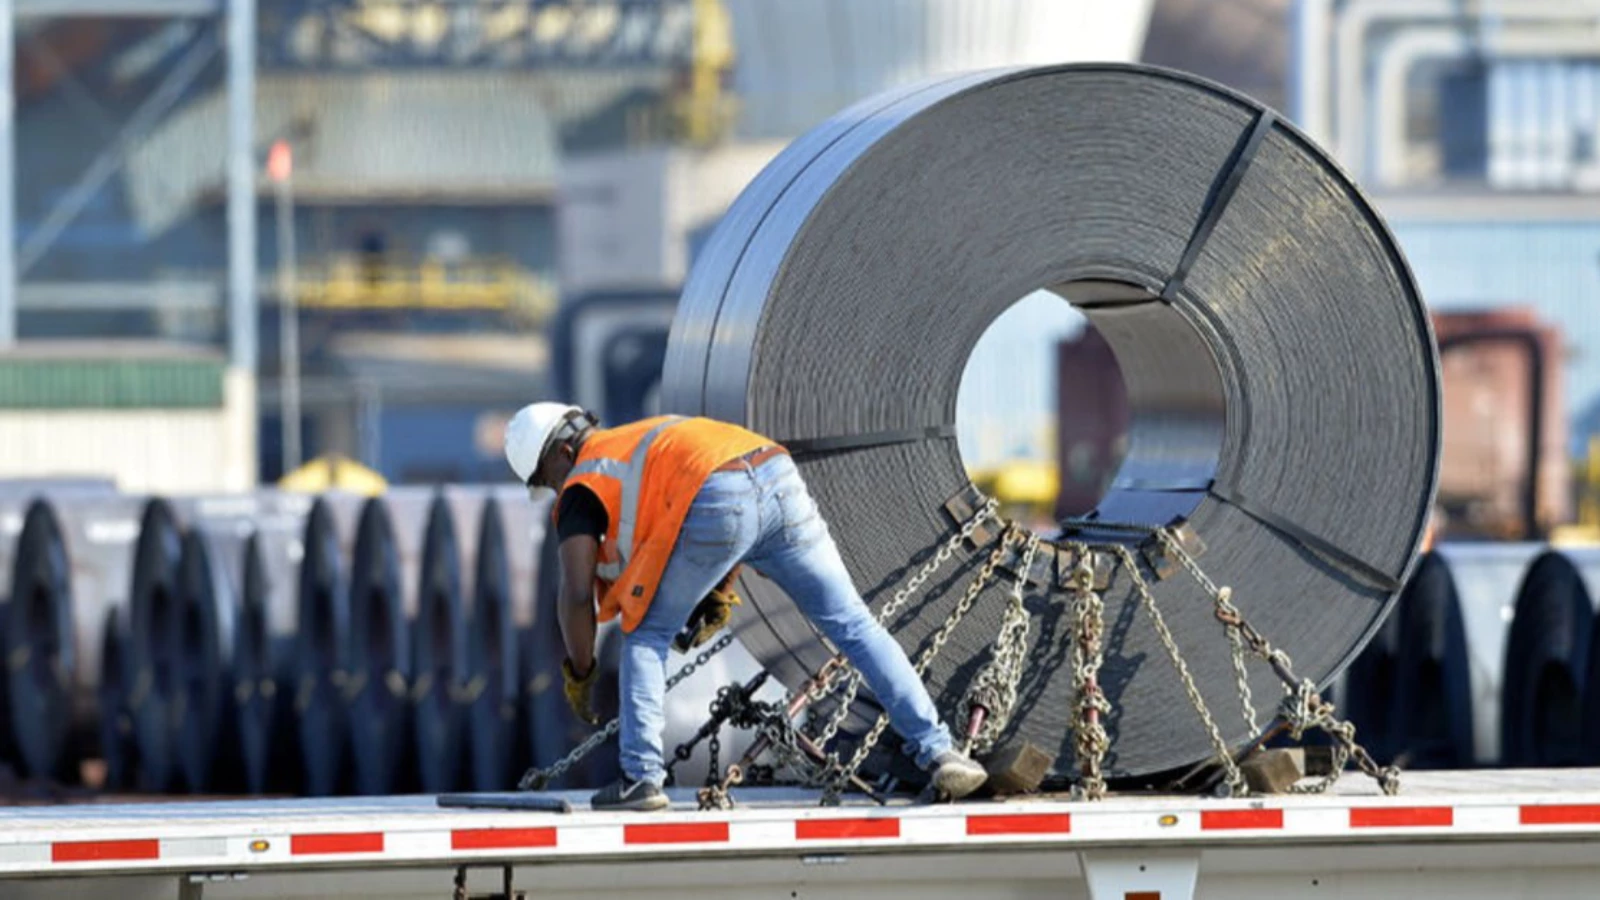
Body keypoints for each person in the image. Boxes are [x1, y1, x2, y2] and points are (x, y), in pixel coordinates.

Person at [504, 403, 989, 811]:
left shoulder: (584, 482)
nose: (553, 490)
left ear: (564, 452)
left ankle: (641, 779)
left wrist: (581, 671)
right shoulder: (643, 438)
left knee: (645, 637)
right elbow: (716, 493)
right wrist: (716, 585)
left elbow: (573, 593)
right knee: (854, 626)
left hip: (720, 497)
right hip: (776, 475)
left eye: (546, 479)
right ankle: (938, 751)